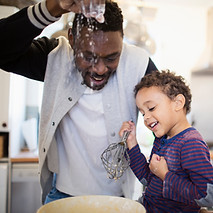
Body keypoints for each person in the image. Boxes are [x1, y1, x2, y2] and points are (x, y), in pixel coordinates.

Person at [0, 0, 157, 205]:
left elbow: (167, 117)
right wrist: (52, 7)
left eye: (111, 58)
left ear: (122, 43)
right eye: (88, 56)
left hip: (118, 199)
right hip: (62, 195)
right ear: (72, 40)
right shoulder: (55, 58)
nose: (100, 69)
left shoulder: (138, 63)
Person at [119, 70, 213, 212]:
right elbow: (147, 179)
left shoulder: (191, 144)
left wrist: (165, 175)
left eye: (151, 108)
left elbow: (206, 196)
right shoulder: (161, 139)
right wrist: (131, 143)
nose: (146, 117)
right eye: (143, 113)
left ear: (178, 103)